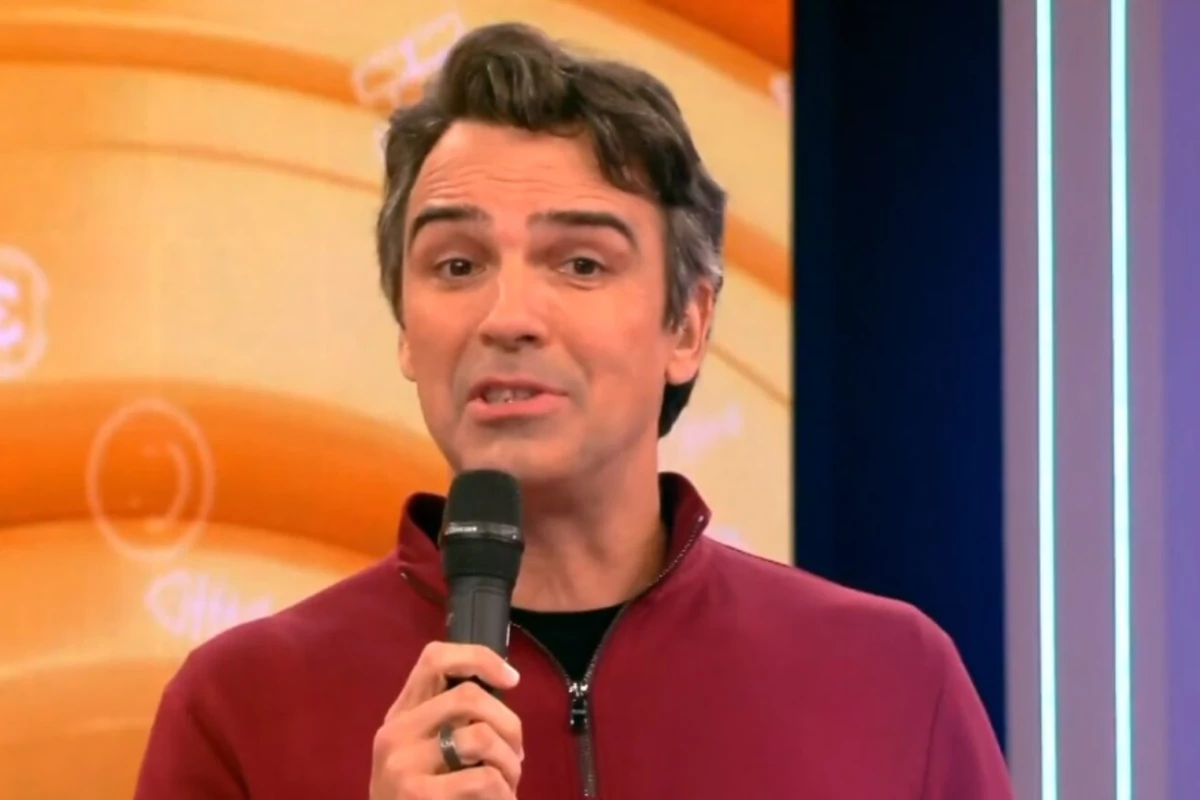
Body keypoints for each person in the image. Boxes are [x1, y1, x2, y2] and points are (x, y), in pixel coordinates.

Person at [133, 21, 1014, 800]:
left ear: (688, 324)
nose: (508, 317)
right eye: (457, 265)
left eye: (581, 264)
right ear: (405, 328)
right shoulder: (240, 706)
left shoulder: (891, 680)